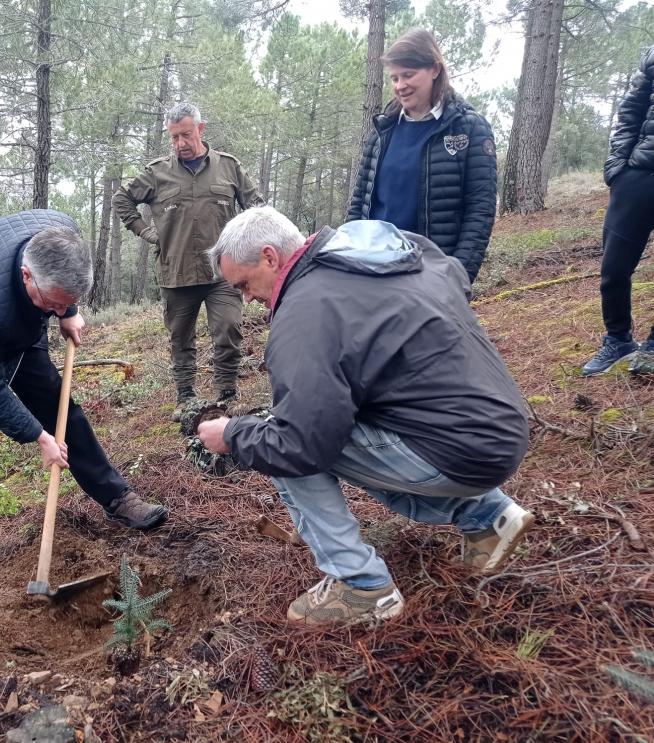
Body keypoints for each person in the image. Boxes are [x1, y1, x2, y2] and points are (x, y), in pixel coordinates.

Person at [197, 207, 534, 627]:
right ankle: (487, 517)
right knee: (316, 426)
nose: (246, 298)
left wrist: (233, 433)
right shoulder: (383, 253)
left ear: (270, 256)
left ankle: (360, 586)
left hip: (457, 451)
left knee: (275, 441)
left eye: (244, 285)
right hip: (500, 428)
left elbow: (299, 445)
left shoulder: (306, 312)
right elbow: (453, 280)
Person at [0, 210, 167, 598]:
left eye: (67, 302)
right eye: (53, 304)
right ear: (27, 275)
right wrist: (40, 437)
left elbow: (57, 294)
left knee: (62, 408)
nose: (58, 311)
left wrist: (68, 311)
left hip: (11, 325)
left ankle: (118, 498)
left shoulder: (61, 232)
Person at [113, 102, 265, 419]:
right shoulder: (157, 173)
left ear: (200, 129)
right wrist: (145, 231)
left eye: (185, 135)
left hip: (223, 273)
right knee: (180, 339)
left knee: (228, 330)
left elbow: (257, 208)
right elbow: (122, 199)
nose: (180, 143)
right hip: (177, 272)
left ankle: (227, 395)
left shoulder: (228, 167)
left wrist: (247, 245)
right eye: (174, 137)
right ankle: (186, 398)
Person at [347, 28, 497, 283]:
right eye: (394, 78)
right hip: (374, 271)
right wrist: (349, 258)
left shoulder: (469, 128)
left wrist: (457, 276)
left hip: (432, 276)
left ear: (435, 69)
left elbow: (480, 210)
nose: (400, 86)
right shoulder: (382, 131)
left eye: (408, 75)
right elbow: (359, 202)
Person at [581, 44, 654, 376]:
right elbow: (631, 110)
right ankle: (618, 340)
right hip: (637, 174)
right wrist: (618, 168)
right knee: (614, 266)